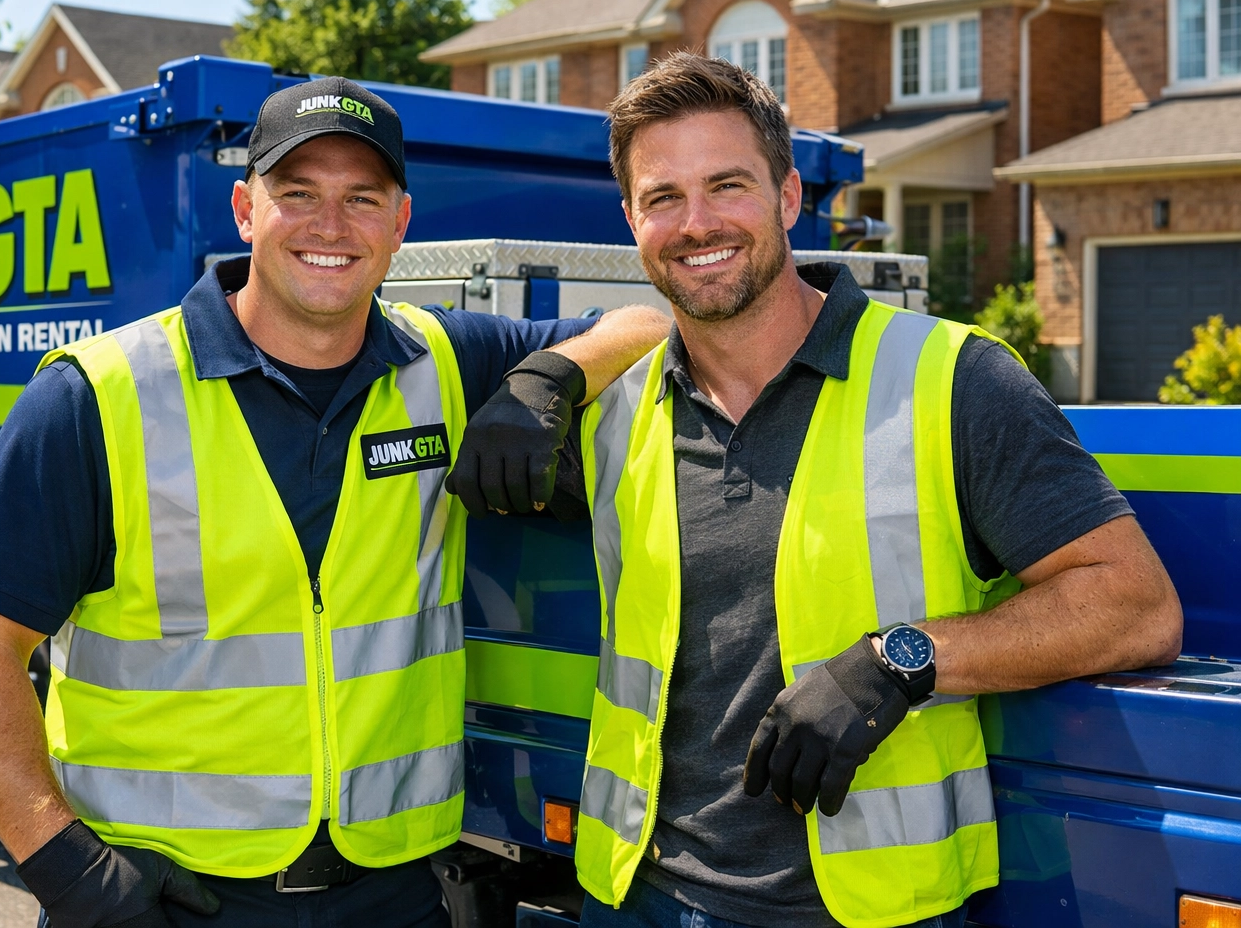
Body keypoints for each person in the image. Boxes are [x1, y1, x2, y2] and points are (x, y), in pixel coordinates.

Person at [451, 53, 1183, 928]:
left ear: (790, 198)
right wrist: (553, 372)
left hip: (866, 912)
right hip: (638, 897)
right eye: (663, 198)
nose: (696, 223)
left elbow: (1135, 607)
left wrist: (902, 662)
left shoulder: (952, 382)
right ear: (631, 220)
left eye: (728, 185)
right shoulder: (617, 412)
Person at [0, 76, 669, 928]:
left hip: (394, 893)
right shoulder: (100, 396)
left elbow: (649, 326)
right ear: (245, 210)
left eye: (362, 198)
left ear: (400, 224)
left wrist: (550, 377)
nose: (330, 226)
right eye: (298, 193)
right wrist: (67, 871)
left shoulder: (445, 365)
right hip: (170, 901)